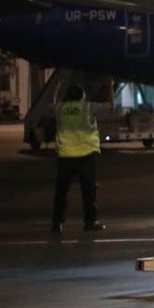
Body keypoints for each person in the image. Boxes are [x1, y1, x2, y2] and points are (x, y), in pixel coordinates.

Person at [51, 85, 105, 233]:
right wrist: (109, 85)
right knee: (88, 191)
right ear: (82, 96)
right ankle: (90, 221)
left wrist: (58, 87)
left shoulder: (60, 109)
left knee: (61, 191)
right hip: (86, 154)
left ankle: (57, 223)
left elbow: (52, 103)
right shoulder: (88, 107)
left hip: (65, 155)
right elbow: (109, 106)